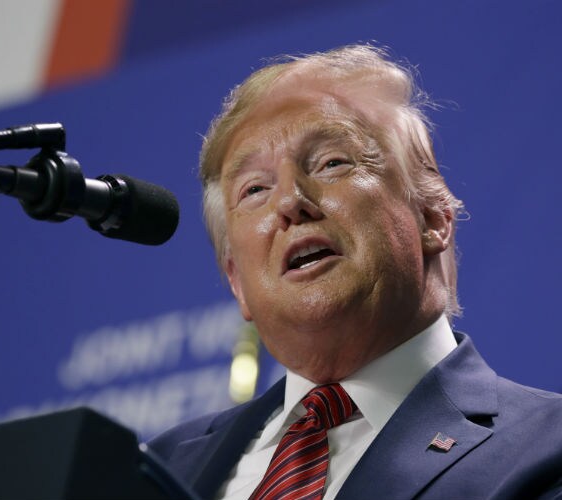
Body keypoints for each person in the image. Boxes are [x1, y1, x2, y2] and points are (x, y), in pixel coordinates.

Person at [148, 44, 562, 499]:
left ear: (433, 218)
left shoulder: (548, 447)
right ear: (236, 281)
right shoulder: (155, 470)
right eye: (254, 190)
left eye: (331, 163)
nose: (289, 202)